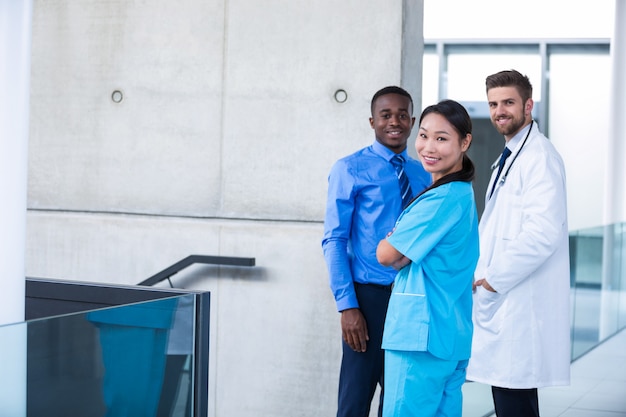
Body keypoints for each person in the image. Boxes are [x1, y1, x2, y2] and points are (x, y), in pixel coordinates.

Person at [466, 69, 571, 417]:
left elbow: (543, 232)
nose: (499, 111)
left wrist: (494, 280)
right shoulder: (510, 156)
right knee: (512, 402)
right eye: (494, 104)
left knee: (515, 405)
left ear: (528, 105)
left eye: (508, 102)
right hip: (506, 301)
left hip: (516, 303)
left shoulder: (539, 156)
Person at [322, 86, 431, 417]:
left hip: (412, 296)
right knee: (354, 401)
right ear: (372, 121)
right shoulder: (349, 169)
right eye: (386, 115)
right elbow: (334, 240)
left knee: (400, 400)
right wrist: (347, 306)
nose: (394, 122)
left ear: (412, 121)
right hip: (368, 301)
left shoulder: (424, 172)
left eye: (402, 115)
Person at [376, 99, 479, 416]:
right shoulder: (461, 193)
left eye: (442, 138)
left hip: (420, 338)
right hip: (451, 334)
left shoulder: (440, 199)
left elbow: (385, 254)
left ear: (464, 142)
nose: (428, 147)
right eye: (423, 135)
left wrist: (394, 244)